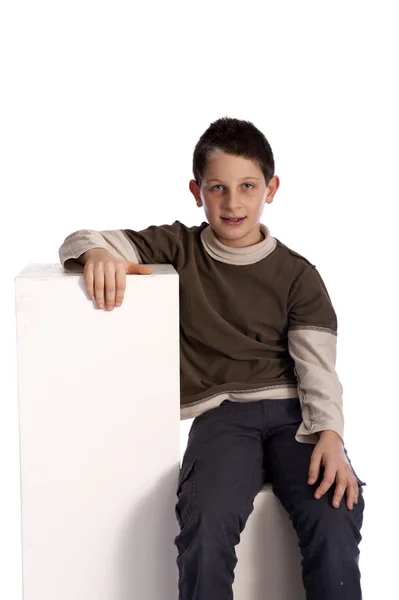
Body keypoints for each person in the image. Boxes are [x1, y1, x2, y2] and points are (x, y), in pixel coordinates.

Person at [58, 117, 366, 599]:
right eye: (217, 187)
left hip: (295, 415)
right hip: (222, 416)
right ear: (196, 191)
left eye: (247, 186)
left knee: (335, 512)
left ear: (272, 188)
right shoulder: (178, 247)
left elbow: (318, 371)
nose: (233, 202)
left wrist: (331, 434)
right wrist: (96, 254)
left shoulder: (298, 276)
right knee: (205, 522)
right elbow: (82, 238)